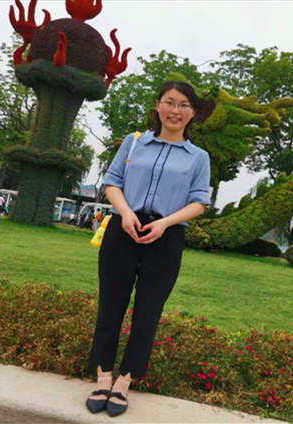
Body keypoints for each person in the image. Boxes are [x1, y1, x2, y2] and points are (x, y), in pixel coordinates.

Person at [85, 80, 211, 417]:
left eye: (183, 105)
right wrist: (125, 213)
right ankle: (103, 377)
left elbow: (199, 201)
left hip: (166, 236)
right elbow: (112, 182)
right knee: (110, 307)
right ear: (157, 105)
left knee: (147, 313)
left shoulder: (199, 158)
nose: (175, 110)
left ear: (193, 113)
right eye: (169, 102)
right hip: (122, 228)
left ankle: (123, 382)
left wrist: (166, 223)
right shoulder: (134, 142)